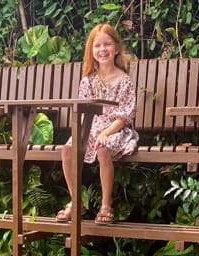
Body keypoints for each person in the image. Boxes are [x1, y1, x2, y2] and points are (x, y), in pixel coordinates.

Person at [56, 24, 139, 224]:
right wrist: (82, 134)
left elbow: (124, 117)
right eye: (97, 46)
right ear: (91, 51)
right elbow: (83, 112)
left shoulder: (124, 81)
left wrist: (105, 133)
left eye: (107, 45)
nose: (102, 50)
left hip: (116, 129)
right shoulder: (88, 81)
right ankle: (76, 201)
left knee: (103, 148)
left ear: (117, 48)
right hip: (91, 127)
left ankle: (105, 204)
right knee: (67, 149)